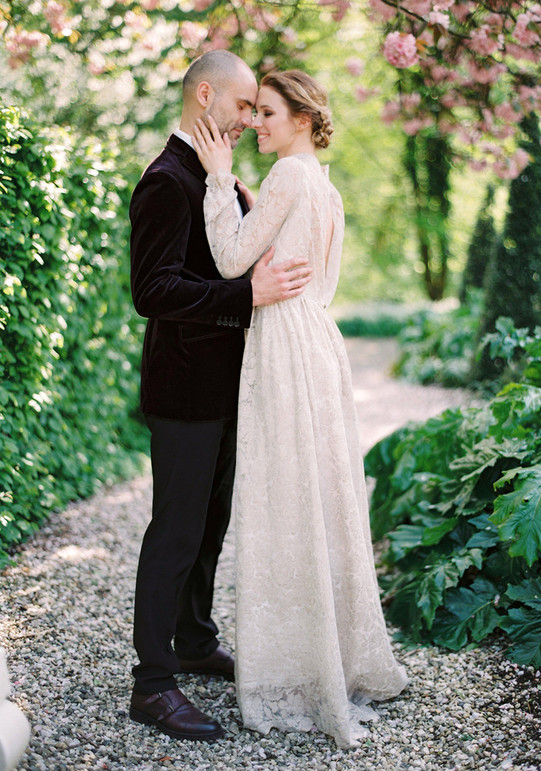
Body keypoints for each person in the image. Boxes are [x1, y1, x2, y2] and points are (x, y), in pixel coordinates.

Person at [192, 69, 409, 749]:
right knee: (319, 500)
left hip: (283, 343)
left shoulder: (288, 176)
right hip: (318, 340)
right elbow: (322, 277)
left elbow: (230, 260)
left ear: (305, 118)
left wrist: (218, 177)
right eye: (254, 112)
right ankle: (329, 657)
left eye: (270, 113)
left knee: (285, 503)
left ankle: (293, 669)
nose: (257, 122)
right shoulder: (323, 185)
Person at [128, 51, 312, 743]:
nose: (246, 119)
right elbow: (152, 292)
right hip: (183, 389)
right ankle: (151, 683)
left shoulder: (213, 178)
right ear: (205, 95)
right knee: (174, 532)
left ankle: (195, 639)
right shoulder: (165, 182)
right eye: (241, 105)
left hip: (230, 383)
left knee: (211, 523)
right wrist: (247, 295)